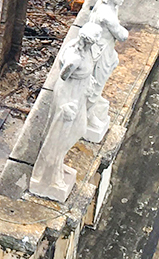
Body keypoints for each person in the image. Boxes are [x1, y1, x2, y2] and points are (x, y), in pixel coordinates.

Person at [29, 22, 103, 200]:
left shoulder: (85, 52)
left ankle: (58, 164)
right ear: (88, 41)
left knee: (78, 130)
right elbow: (64, 76)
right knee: (58, 137)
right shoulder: (75, 56)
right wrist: (65, 105)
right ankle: (51, 176)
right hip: (68, 98)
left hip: (77, 96)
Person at [85, 0, 129, 141]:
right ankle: (89, 115)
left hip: (106, 49)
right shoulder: (107, 15)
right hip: (100, 52)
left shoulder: (105, 4)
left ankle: (93, 105)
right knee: (96, 83)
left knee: (107, 71)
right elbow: (122, 35)